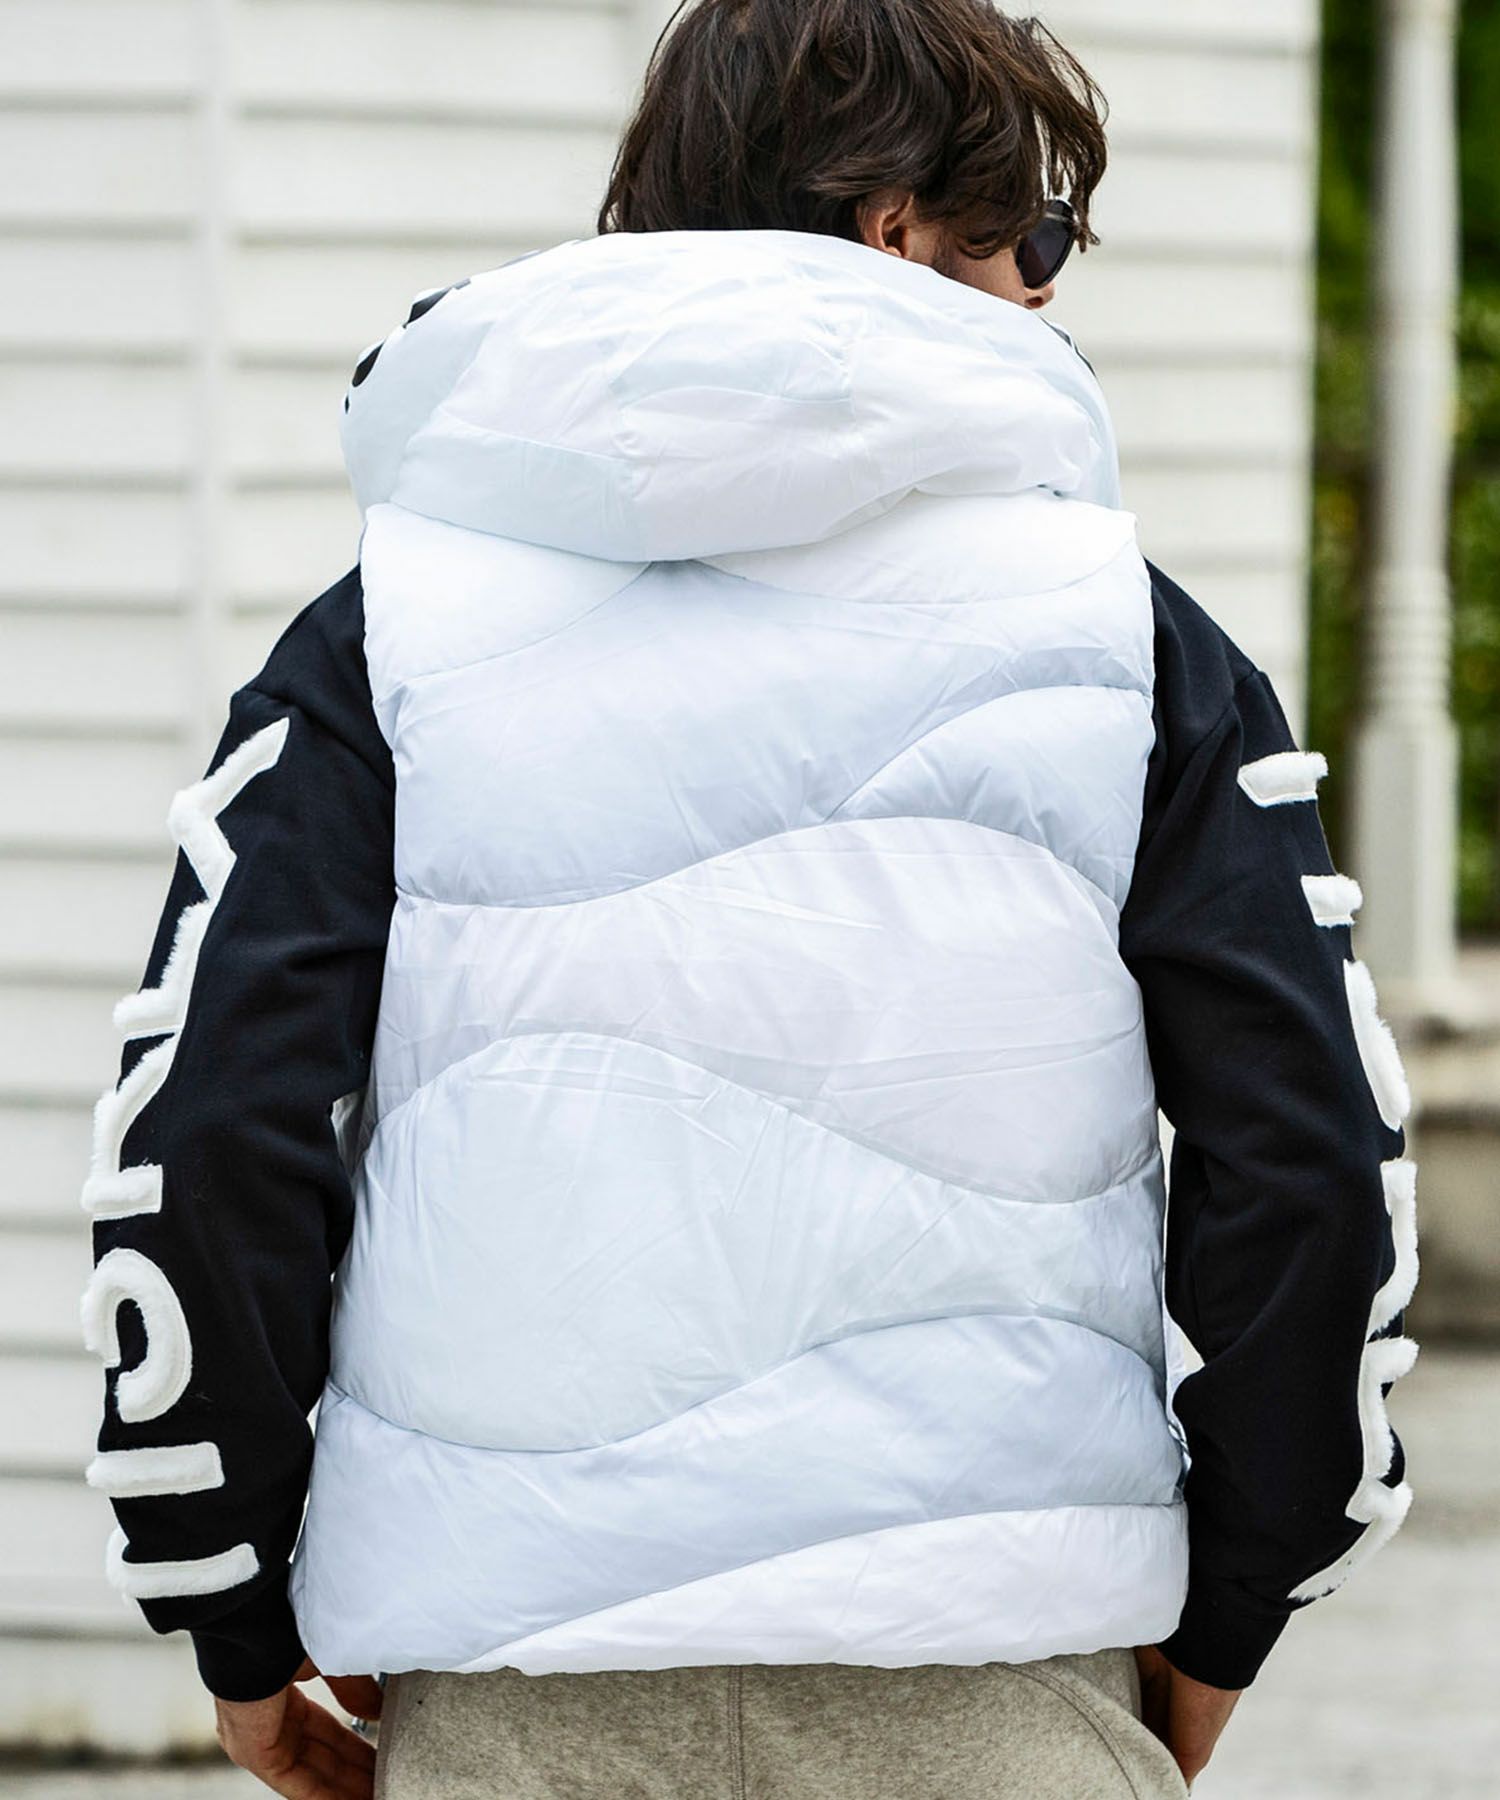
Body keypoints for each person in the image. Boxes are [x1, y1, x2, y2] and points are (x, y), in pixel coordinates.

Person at [80, 2, 1420, 1796]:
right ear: (896, 228)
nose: (1050, 290)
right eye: (1036, 237)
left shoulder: (386, 630)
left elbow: (208, 1134)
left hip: (523, 1704)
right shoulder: (1132, 641)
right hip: (990, 1687)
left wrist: (232, 1612)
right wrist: (1235, 1609)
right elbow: (1313, 1160)